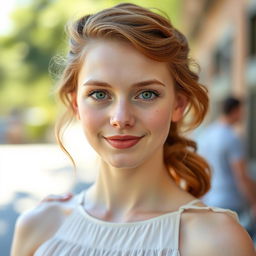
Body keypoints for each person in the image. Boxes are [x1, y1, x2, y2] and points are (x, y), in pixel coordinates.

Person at [11, 3, 255, 256]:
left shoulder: (217, 241)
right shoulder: (39, 225)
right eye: (99, 93)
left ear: (178, 105)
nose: (120, 118)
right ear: (76, 105)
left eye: (146, 94)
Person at [197, 96, 256, 238]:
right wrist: (254, 202)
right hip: (231, 204)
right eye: (242, 111)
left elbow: (202, 169)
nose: (243, 115)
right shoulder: (232, 138)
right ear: (235, 111)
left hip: (210, 201)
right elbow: (241, 176)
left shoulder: (207, 134)